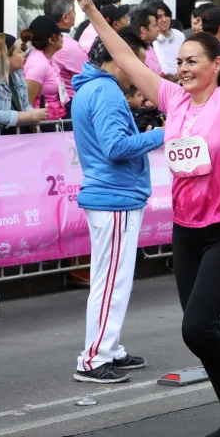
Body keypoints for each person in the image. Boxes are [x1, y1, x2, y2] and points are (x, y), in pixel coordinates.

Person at [70, 0, 220, 437]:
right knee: (203, 330)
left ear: (216, 66)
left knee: (195, 327)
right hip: (188, 233)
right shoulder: (171, 98)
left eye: (193, 60)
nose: (182, 67)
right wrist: (90, 11)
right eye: (178, 60)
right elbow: (119, 54)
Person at [69, 28, 165, 383]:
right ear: (116, 57)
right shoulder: (106, 91)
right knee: (112, 281)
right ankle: (94, 358)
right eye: (133, 60)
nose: (136, 69)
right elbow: (115, 147)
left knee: (111, 280)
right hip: (114, 197)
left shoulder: (90, 88)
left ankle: (108, 349)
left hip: (111, 196)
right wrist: (162, 134)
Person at [22, 15, 68, 120]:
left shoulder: (47, 59)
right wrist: (35, 132)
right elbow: (27, 104)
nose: (62, 37)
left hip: (54, 122)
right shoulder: (38, 64)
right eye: (59, 34)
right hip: (43, 128)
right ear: (51, 39)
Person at [44, 0, 87, 101]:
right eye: (73, 10)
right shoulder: (67, 46)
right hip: (71, 103)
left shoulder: (44, 39)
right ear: (65, 17)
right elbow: (87, 75)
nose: (76, 13)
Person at [151, 1, 186, 76]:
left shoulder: (179, 35)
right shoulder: (151, 41)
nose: (164, 19)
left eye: (166, 15)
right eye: (159, 17)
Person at [129, 8, 162, 75]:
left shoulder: (149, 47)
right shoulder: (136, 53)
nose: (158, 29)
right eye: (155, 25)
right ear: (143, 30)